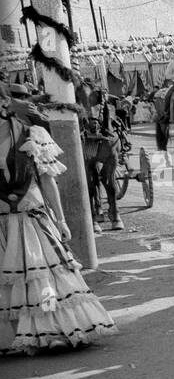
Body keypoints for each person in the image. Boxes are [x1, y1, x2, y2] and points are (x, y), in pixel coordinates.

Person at [0, 82, 116, 353]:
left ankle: (50, 328)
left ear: (5, 104)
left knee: (41, 278)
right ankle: (13, 335)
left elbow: (48, 181)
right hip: (3, 222)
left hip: (30, 219)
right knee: (11, 283)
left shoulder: (31, 133)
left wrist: (61, 219)